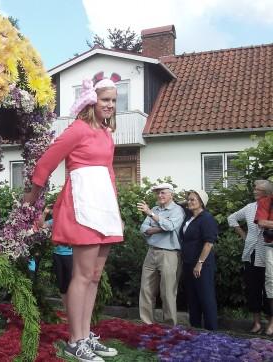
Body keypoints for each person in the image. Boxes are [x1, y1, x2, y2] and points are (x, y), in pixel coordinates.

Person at [24, 72, 123, 362]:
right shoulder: (78, 129)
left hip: (104, 206)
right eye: (106, 99)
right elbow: (46, 161)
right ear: (92, 101)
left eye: (114, 101)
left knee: (94, 275)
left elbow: (110, 174)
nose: (110, 105)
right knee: (81, 275)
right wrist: (32, 200)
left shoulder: (107, 134)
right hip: (82, 204)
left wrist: (115, 211)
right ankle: (74, 340)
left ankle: (86, 335)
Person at [227, 180, 273, 333]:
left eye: (257, 189)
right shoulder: (250, 207)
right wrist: (244, 235)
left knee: (269, 289)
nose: (254, 191)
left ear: (266, 192)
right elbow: (231, 218)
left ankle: (271, 323)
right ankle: (257, 323)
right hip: (252, 254)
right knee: (253, 289)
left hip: (269, 252)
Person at [136, 183, 185, 325]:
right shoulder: (156, 208)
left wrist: (151, 215)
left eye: (163, 193)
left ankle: (170, 326)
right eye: (157, 193)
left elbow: (170, 226)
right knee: (146, 289)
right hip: (151, 251)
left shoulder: (177, 210)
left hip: (169, 254)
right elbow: (143, 228)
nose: (159, 196)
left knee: (168, 291)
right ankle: (147, 323)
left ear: (171, 194)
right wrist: (159, 227)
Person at [180, 190, 218, 331]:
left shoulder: (206, 218)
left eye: (193, 200)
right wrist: (188, 200)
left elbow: (209, 243)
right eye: (188, 200)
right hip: (188, 263)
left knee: (206, 297)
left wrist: (199, 263)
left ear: (201, 202)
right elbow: (180, 204)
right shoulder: (189, 216)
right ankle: (195, 329)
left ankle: (211, 330)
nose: (189, 202)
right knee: (192, 297)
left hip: (202, 264)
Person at [37, 205, 74, 314]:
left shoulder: (70, 221)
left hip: (70, 255)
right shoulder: (54, 221)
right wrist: (44, 213)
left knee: (71, 283)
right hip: (57, 255)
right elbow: (41, 225)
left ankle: (73, 310)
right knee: (61, 284)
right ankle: (67, 310)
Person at [255, 186, 273, 335]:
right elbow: (261, 222)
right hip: (271, 246)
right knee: (271, 282)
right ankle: (272, 321)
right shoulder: (266, 201)